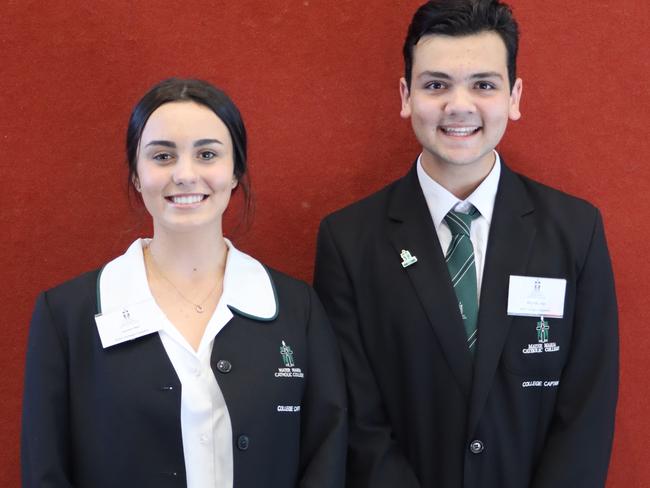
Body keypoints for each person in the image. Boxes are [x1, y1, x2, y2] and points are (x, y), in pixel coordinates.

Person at [313, 1, 618, 487]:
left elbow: (588, 408)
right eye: (436, 85)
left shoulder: (575, 231)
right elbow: (357, 417)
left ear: (514, 96)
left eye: (483, 84)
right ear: (406, 95)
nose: (459, 105)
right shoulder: (349, 242)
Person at [22, 78, 347, 488]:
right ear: (137, 175)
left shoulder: (298, 309)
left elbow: (327, 455)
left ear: (235, 171)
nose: (185, 174)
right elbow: (45, 471)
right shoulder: (66, 317)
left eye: (207, 154)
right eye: (162, 156)